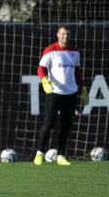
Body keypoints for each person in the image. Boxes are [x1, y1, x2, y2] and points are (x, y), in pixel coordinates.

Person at [33, 25, 88, 166]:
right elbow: (41, 68)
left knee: (66, 126)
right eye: (63, 34)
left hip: (71, 93)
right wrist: (44, 80)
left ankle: (61, 155)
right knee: (48, 124)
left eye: (68, 34)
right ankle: (39, 154)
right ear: (58, 35)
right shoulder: (50, 50)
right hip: (55, 92)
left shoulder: (75, 52)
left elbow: (77, 71)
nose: (65, 37)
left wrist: (82, 87)